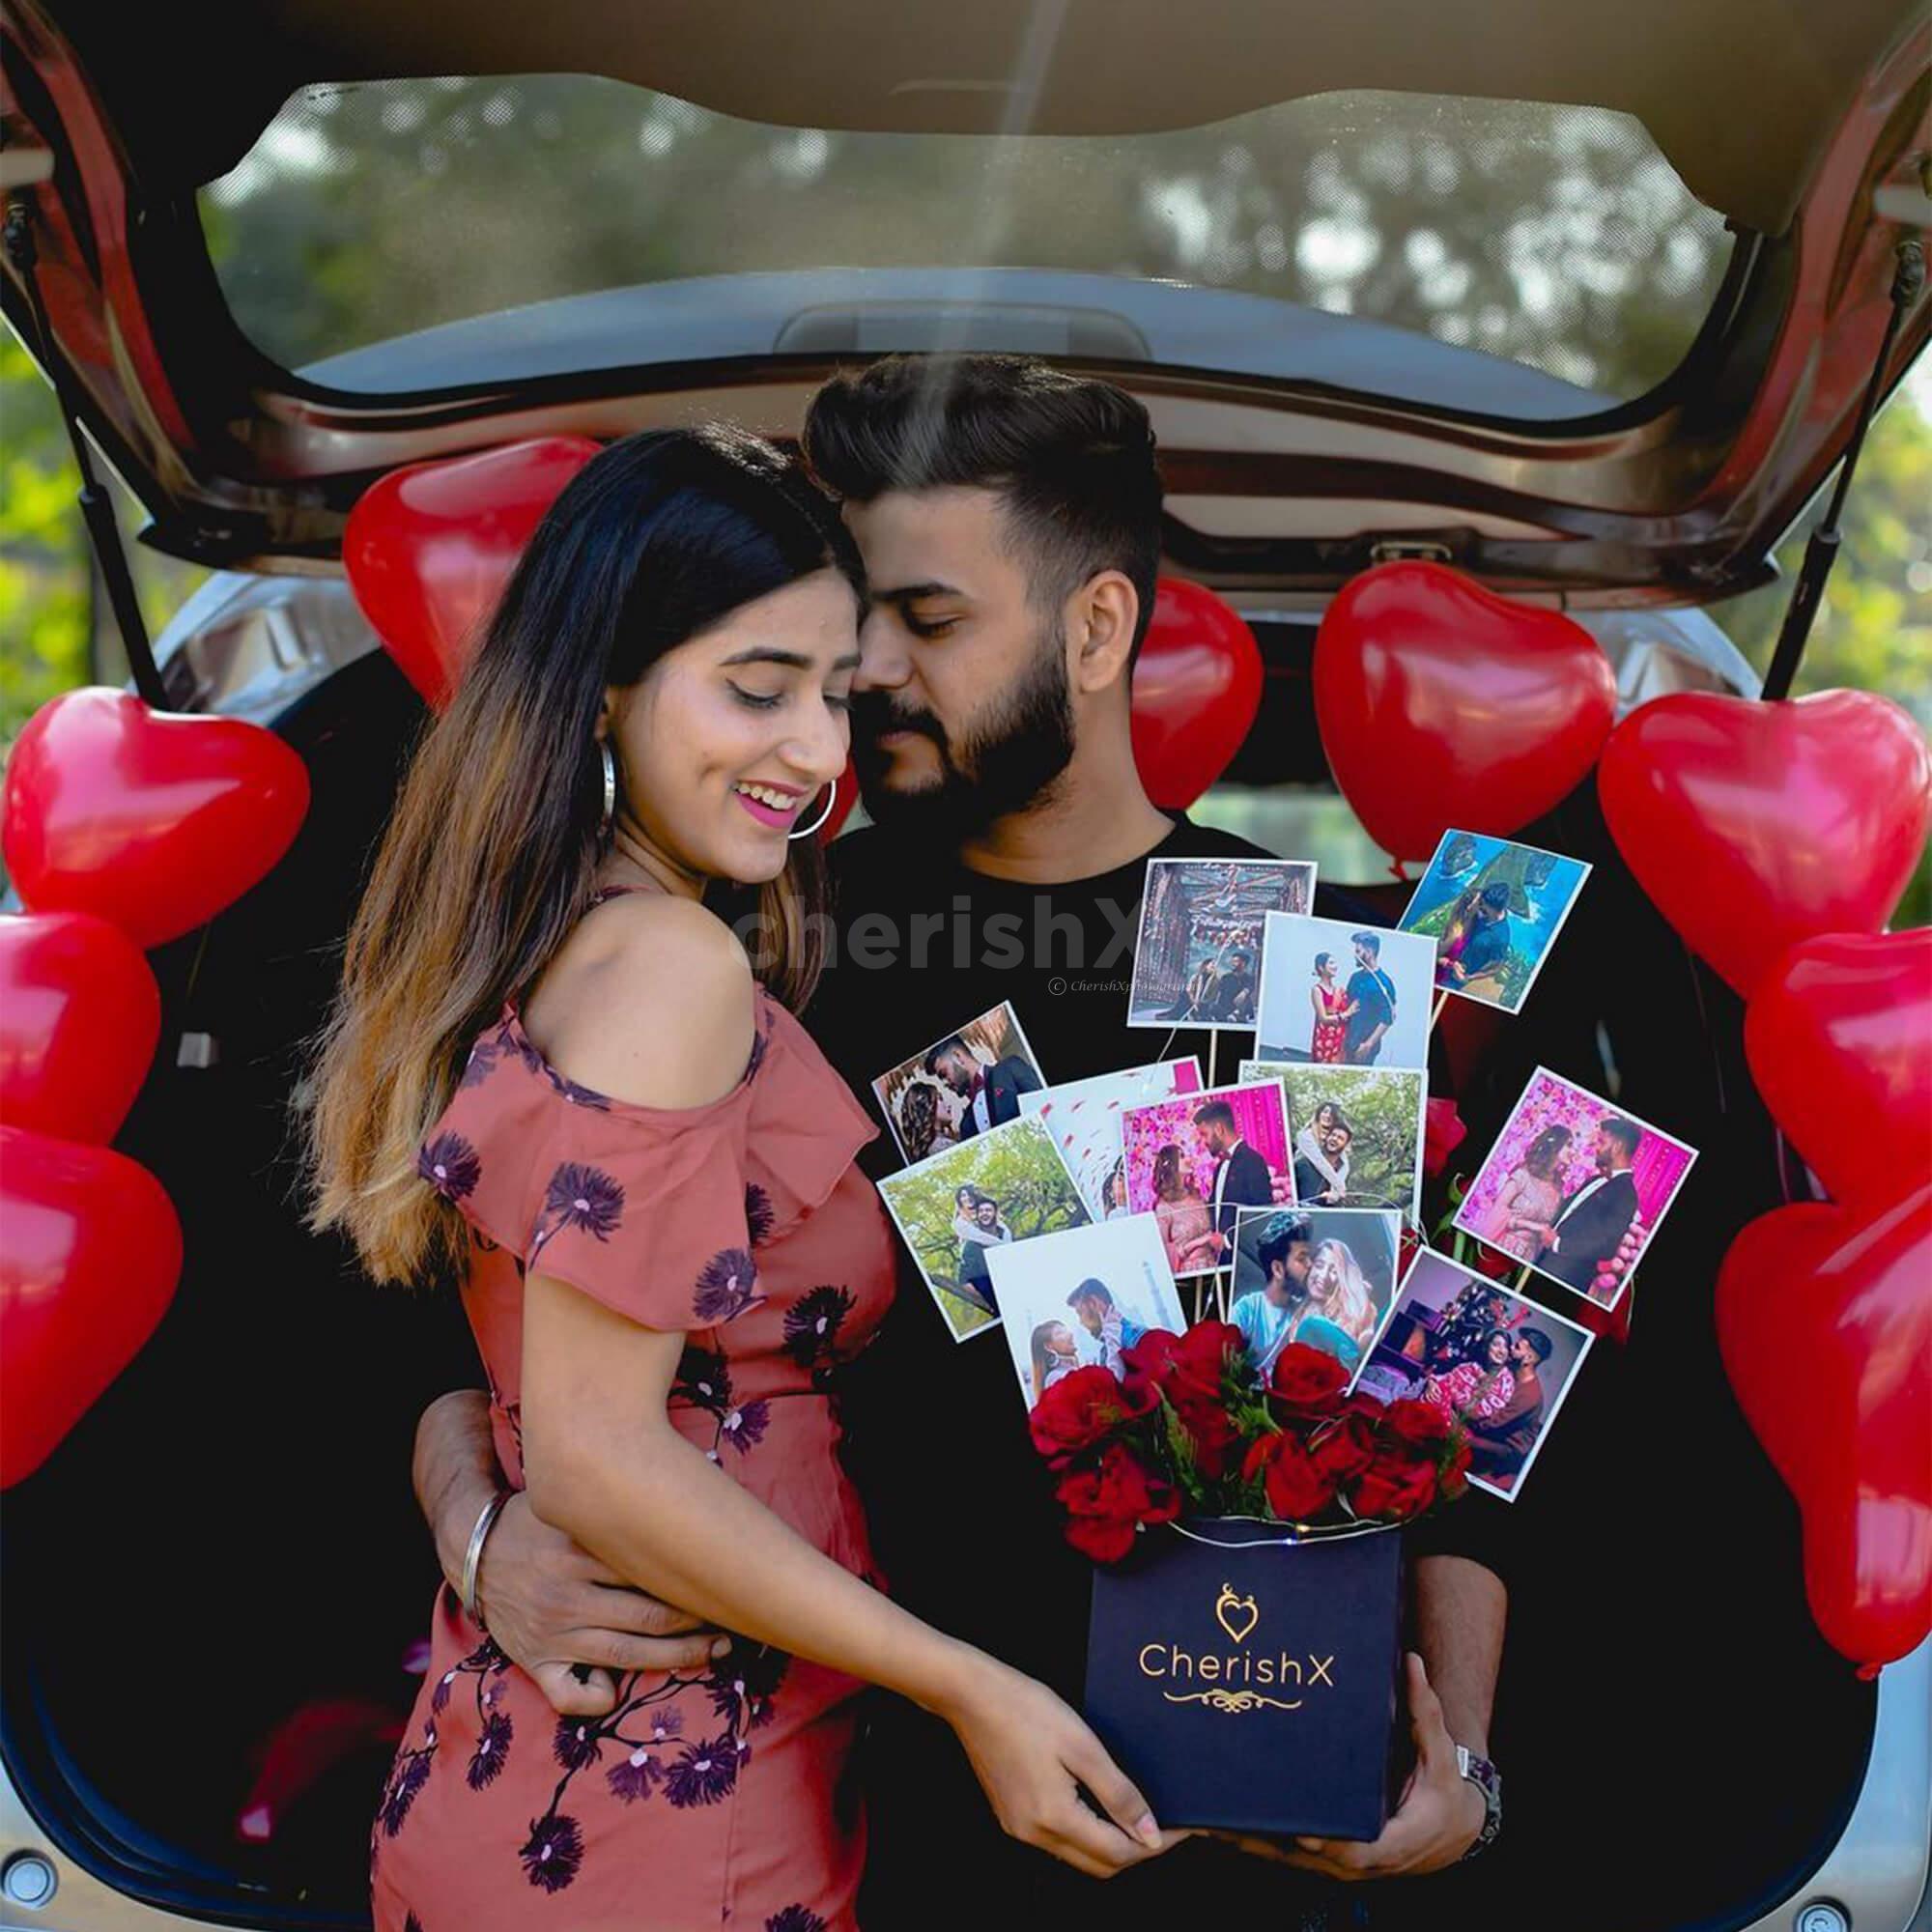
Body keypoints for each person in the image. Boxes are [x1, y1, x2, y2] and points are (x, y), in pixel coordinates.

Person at [410, 355, 1507, 1920]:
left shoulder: (1317, 951)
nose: (866, 673)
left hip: (1257, 1821)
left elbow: (1454, 1402)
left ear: (1098, 628)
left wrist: (1458, 1754)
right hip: (865, 1825)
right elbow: (456, 1310)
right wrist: (483, 1529)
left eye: (923, 621)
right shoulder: (752, 936)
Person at [304, 428, 1167, 1928]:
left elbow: (510, 1387)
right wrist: (976, 1692)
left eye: (833, 697)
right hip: (667, 1792)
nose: (821, 754)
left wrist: (479, 1524)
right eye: (758, 689)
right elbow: (596, 1454)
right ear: (606, 684)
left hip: (569, 1762)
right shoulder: (671, 964)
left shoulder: (560, 936)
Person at [1515, 1117, 1642, 1292]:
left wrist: (1557, 1244)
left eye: (1601, 1142)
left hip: (1563, 1282)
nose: (1595, 1147)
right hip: (1540, 1263)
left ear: (1617, 1146)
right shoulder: (1595, 1180)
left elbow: (1606, 1245)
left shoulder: (1626, 1194)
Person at [1464, 1329, 1554, 1484]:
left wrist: (1462, 1413)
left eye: (1517, 1347)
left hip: (1510, 1448)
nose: (1510, 1347)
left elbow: (1491, 1425)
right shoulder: (1512, 1369)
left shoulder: (1529, 1394)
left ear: (1529, 1358)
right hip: (1493, 1429)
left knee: (1464, 1439)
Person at [1230, 1211, 1312, 1371]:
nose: (1310, 1264)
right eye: (1302, 1259)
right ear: (1278, 1269)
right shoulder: (1247, 1310)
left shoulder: (1306, 1312)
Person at [1288, 1236, 1380, 1368]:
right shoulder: (1293, 1312)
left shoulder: (1357, 1316)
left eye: (1334, 1271)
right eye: (1319, 1265)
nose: (1323, 1276)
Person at [1484, 1125, 1571, 1264]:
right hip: (1506, 1249)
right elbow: (1497, 1213)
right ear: (1555, 1146)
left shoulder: (1558, 1187)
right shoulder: (1523, 1175)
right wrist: (1532, 1226)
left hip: (1531, 1258)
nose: (1573, 1151)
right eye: (1569, 1145)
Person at [925, 1034, 1041, 1136]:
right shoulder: (966, 1124)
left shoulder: (1010, 1069)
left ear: (958, 1057)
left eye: (943, 1074)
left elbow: (1045, 1108)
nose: (945, 1083)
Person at [1197, 1098, 1274, 1243]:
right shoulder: (1220, 1167)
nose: (1203, 1143)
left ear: (1219, 1130)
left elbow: (1263, 1213)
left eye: (1204, 1134)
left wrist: (1227, 1241)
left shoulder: (1252, 1161)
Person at [1151, 1142, 1224, 1274]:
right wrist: (1200, 1242)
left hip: (1214, 1268)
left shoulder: (1196, 1196)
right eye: (1182, 1156)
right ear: (1171, 1165)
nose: (1189, 1159)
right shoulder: (1164, 1208)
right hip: (1189, 1275)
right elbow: (1163, 1255)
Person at [1423, 1328, 1519, 1425]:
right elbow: (1447, 1378)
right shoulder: (1471, 1367)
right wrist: (1432, 1382)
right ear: (1486, 1347)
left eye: (1505, 1347)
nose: (1501, 1351)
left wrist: (1451, 1396)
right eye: (1496, 1345)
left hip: (1462, 1426)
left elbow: (1480, 1412)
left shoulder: (1505, 1382)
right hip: (1440, 1411)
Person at [1439, 881, 1514, 991]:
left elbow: (1496, 966)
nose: (1480, 904)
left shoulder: (1500, 938)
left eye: (1483, 903)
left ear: (1493, 908)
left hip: (1456, 978)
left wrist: (1468, 978)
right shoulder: (1483, 914)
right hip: (1447, 962)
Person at [1066, 1277, 1147, 1373]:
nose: (1081, 1322)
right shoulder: (1107, 1350)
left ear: (1094, 1304)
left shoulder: (1135, 1339)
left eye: (1080, 1313)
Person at [1345, 930, 1400, 1065]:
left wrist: (1368, 1045)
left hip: (1364, 1048)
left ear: (1369, 952)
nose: (1355, 955)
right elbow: (1347, 1005)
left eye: (1358, 951)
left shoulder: (1383, 983)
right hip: (1348, 1042)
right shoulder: (1355, 978)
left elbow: (1388, 1017)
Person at [952, 1188, 1010, 1311]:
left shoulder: (998, 1228)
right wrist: (1005, 1247)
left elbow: (1004, 1231)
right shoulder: (961, 1225)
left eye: (969, 1194)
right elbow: (981, 1238)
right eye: (963, 1195)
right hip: (974, 1262)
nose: (967, 1198)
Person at [1294, 1102, 1352, 1203]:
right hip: (1302, 1176)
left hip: (1323, 1183)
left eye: (1332, 1114)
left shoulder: (1331, 1138)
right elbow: (1319, 1162)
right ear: (1318, 1113)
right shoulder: (1305, 1136)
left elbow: (1344, 1165)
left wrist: (1335, 1194)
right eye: (1325, 1111)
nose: (1327, 1116)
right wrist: (1339, 1187)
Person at [1309, 951, 1354, 1061]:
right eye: (1331, 963)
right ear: (1321, 967)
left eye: (1335, 963)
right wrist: (1344, 1014)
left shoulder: (1338, 990)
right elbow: (1323, 1018)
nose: (1335, 967)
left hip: (1338, 1038)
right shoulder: (1317, 990)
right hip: (1324, 1038)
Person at [895, 1076, 951, 1160]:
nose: (948, 1105)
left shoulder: (930, 1149)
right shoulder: (943, 1148)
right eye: (940, 1099)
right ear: (930, 1108)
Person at [1030, 1320, 1081, 1401]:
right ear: (1048, 1346)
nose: (1070, 1334)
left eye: (1066, 1330)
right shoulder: (1055, 1377)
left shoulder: (1073, 1369)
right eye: (1060, 1333)